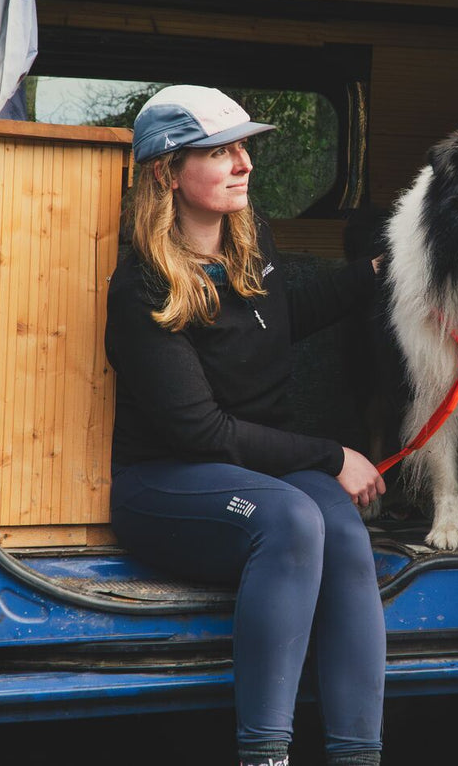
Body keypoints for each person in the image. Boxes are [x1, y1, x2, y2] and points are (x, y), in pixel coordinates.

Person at [104, 85, 387, 766]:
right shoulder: (142, 285)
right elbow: (202, 431)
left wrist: (387, 268)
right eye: (219, 151)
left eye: (243, 149)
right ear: (168, 173)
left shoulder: (250, 247)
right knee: (291, 518)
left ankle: (357, 755)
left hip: (262, 469)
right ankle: (264, 756)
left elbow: (294, 310)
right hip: (166, 480)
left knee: (343, 529)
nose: (243, 164)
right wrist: (330, 454)